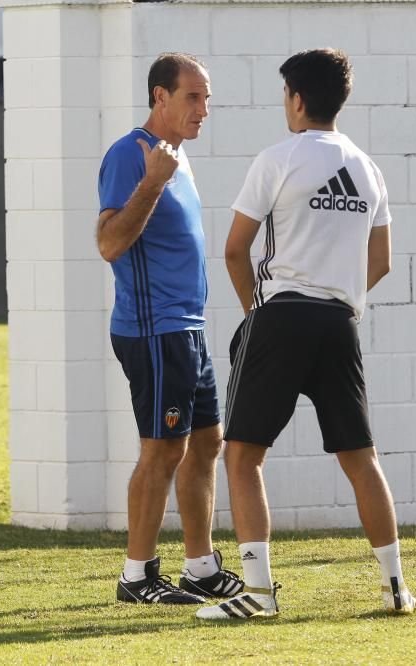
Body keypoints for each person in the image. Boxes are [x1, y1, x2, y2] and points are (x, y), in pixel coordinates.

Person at [196, 48, 416, 620]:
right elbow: (383, 261)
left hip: (282, 315)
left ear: (296, 99)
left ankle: (260, 594)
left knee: (242, 455)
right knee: (361, 457)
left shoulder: (278, 158)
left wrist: (258, 314)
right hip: (340, 322)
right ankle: (397, 588)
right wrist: (339, 292)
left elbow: (234, 250)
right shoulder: (367, 168)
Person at [97, 52, 244, 604]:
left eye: (205, 97)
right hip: (154, 330)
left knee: (206, 443)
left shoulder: (177, 157)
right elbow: (110, 243)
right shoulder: (130, 156)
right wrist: (153, 183)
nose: (203, 109)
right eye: (192, 97)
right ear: (160, 97)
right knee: (162, 451)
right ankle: (137, 577)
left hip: (187, 329)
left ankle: (200, 567)